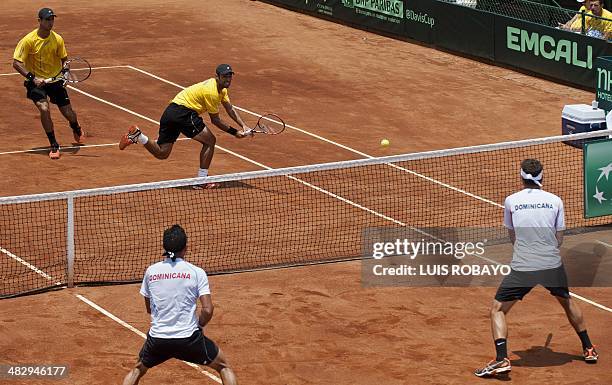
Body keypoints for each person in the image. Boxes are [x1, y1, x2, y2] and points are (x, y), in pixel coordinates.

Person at [474, 159, 598, 378]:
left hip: (524, 266)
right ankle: (588, 348)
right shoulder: (556, 201)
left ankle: (502, 358)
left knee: (498, 309)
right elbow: (559, 238)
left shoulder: (511, 201)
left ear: (521, 177)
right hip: (551, 263)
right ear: (542, 177)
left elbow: (512, 235)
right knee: (566, 300)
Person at [122, 224, 237, 385]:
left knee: (137, 370)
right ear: (185, 247)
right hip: (189, 339)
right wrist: (199, 325)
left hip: (158, 339)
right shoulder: (197, 272)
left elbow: (149, 309)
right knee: (224, 367)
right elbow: (208, 309)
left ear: (164, 247)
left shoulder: (151, 271)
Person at [119, 64, 250, 188]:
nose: (228, 79)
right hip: (184, 113)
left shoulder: (222, 90)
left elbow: (230, 108)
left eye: (230, 76)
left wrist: (243, 126)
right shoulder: (211, 92)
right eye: (225, 76)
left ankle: (139, 136)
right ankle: (201, 180)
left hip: (170, 112)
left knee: (162, 153)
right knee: (210, 141)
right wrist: (235, 132)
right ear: (217, 77)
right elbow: (215, 120)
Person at [12, 7, 85, 160]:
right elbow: (17, 63)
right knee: (44, 108)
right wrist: (33, 78)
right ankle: (54, 144)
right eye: (47, 19)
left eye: (52, 19)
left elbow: (65, 60)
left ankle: (76, 127)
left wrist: (64, 75)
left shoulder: (57, 39)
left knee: (68, 114)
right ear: (39, 21)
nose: (50, 22)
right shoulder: (28, 40)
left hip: (55, 80)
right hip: (35, 81)